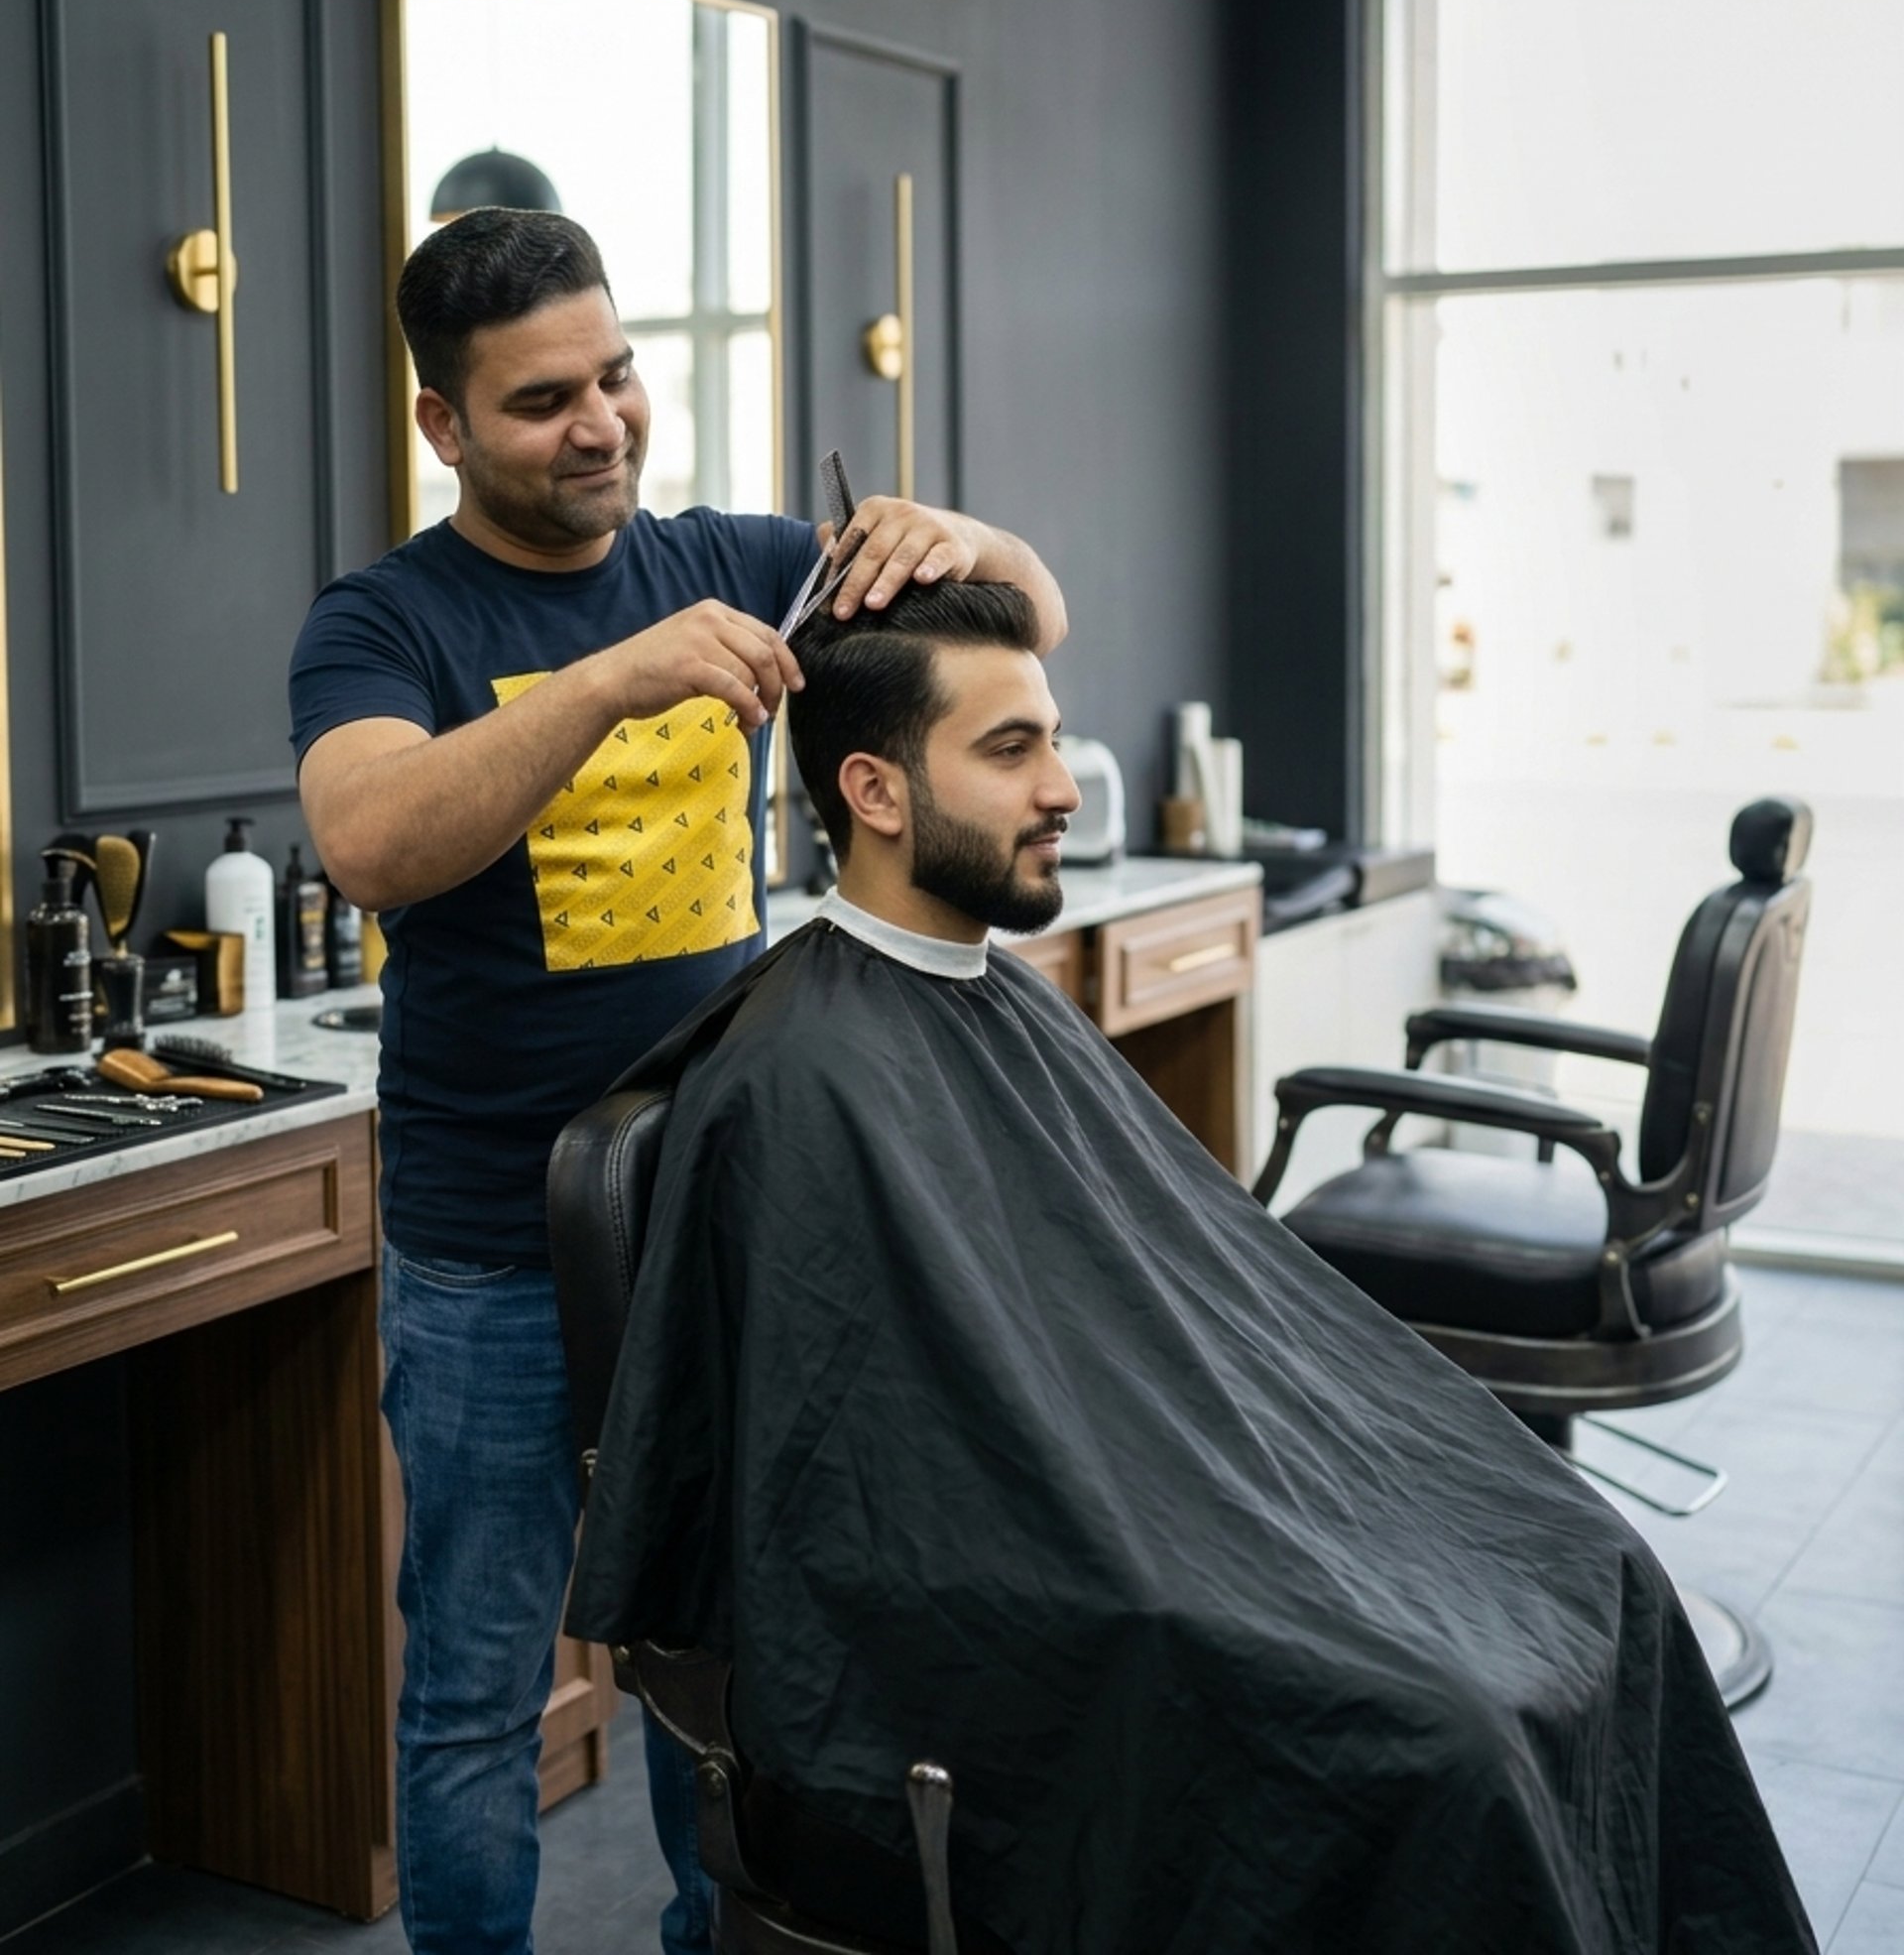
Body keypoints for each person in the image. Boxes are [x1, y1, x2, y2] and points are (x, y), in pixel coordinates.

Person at [568, 581, 1814, 1955]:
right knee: (1445, 1744)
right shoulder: (799, 1079)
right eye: (1008, 752)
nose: (1062, 791)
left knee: (1596, 1564)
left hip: (1160, 1500)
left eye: (1054, 740)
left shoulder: (987, 999)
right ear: (871, 789)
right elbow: (881, 1495)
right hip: (1043, 1597)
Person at [288, 207, 1065, 1955]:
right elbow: (372, 841)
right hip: (487, 1252)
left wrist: (968, 532)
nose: (604, 423)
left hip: (706, 1223)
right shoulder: (385, 620)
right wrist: (615, 675)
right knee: (478, 1685)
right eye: (546, 399)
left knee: (711, 1671)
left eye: (620, 374)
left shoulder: (740, 552)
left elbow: (1028, 613)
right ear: (446, 429)